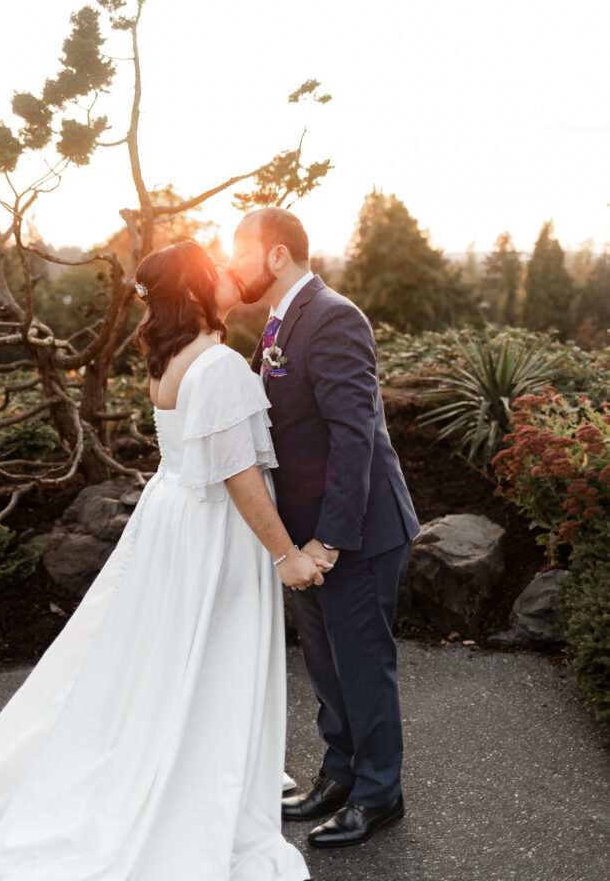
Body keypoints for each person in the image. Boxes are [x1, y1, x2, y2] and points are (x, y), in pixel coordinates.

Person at [0, 239, 325, 881]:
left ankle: (178, 755)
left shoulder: (167, 357)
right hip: (212, 528)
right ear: (196, 291)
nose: (229, 275)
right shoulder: (218, 363)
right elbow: (237, 472)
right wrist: (284, 555)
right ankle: (190, 775)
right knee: (212, 650)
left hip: (172, 516)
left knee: (169, 654)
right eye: (217, 271)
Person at [227, 207, 421, 850]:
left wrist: (331, 540)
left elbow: (353, 438)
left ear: (276, 255)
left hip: (354, 532)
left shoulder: (335, 317)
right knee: (326, 666)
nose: (233, 265)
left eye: (240, 253)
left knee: (361, 665)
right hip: (303, 535)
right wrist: (292, 540)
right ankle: (339, 775)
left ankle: (378, 795)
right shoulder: (280, 321)